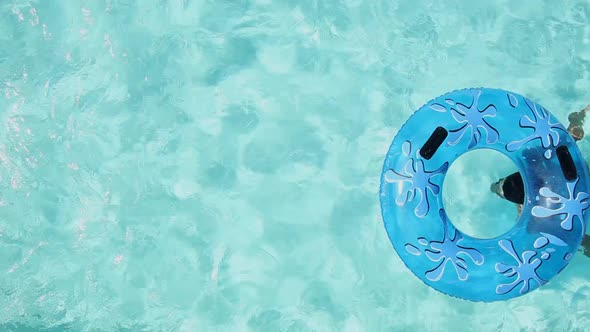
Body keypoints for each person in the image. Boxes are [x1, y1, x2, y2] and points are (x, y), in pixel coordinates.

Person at [490, 105, 590, 257]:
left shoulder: (535, 215)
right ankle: (501, 188)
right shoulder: (534, 166)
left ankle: (502, 189)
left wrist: (574, 129)